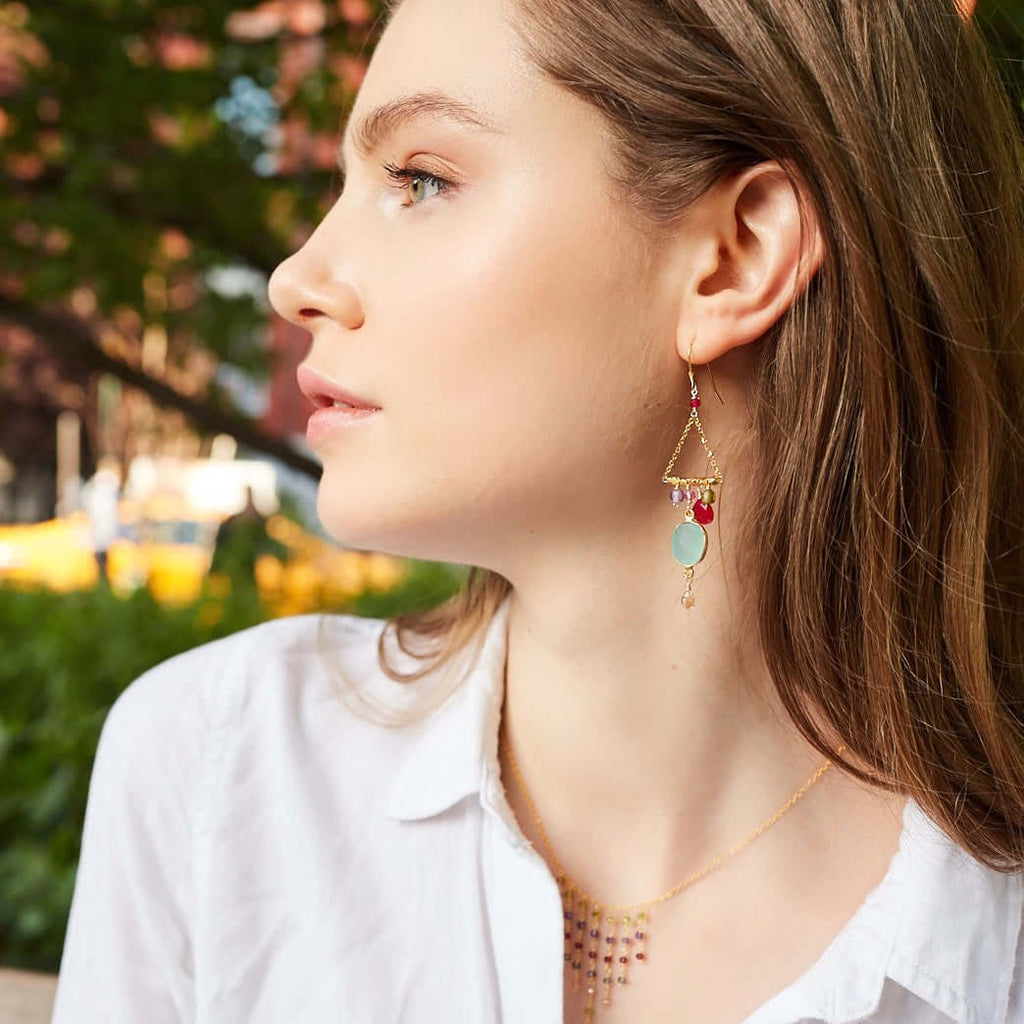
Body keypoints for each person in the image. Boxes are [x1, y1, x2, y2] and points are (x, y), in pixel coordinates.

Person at [51, 1, 1024, 1022]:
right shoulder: (224, 768)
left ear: (734, 258)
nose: (298, 279)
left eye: (420, 180)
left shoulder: (986, 941)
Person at [78, 456, 121, 584]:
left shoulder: (93, 487)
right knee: (102, 562)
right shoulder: (108, 485)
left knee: (100, 562)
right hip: (103, 531)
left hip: (100, 531)